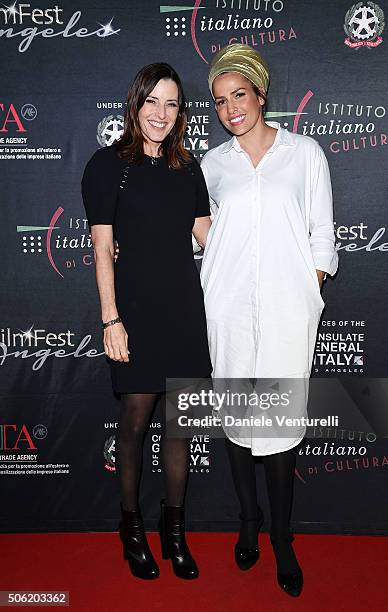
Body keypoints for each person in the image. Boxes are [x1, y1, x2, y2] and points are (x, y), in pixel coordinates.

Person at [200, 44, 338, 597]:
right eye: (219, 101)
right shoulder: (212, 165)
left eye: (239, 95)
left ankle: (282, 537)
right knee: (238, 420)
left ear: (261, 94)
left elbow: (322, 235)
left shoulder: (305, 154)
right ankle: (248, 522)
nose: (231, 108)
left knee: (279, 428)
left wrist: (305, 290)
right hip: (228, 309)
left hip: (287, 310)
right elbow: (199, 226)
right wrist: (220, 268)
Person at [81, 63, 212, 581]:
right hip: (134, 313)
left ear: (181, 112)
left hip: (184, 311)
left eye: (172, 104)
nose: (161, 114)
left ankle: (174, 530)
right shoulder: (108, 164)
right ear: (135, 104)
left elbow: (209, 239)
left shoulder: (189, 168)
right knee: (134, 426)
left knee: (181, 428)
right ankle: (130, 528)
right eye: (152, 102)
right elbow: (102, 250)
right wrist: (111, 320)